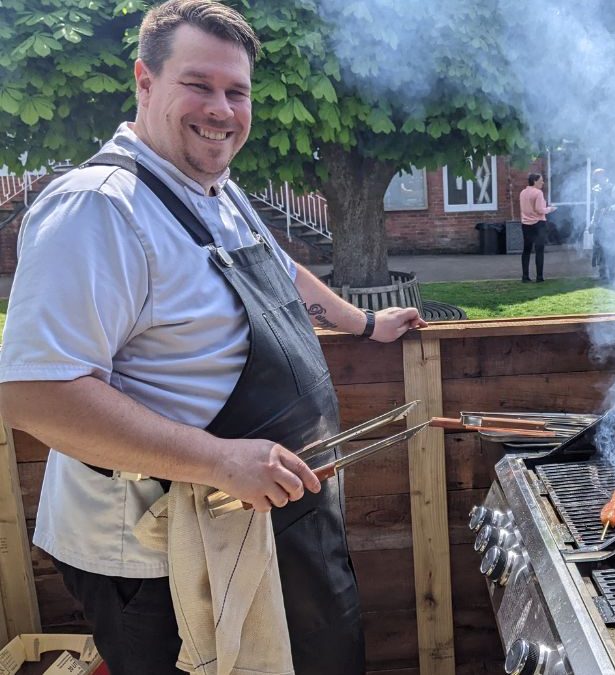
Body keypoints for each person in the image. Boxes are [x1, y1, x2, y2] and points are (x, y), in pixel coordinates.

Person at [0, 2, 426, 674]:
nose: (222, 110)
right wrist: (219, 460)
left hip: (265, 526)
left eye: (237, 91)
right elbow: (35, 395)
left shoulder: (216, 188)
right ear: (144, 81)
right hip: (160, 560)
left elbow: (277, 270)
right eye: (198, 85)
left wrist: (363, 322)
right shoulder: (98, 208)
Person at [589, 167, 615, 283]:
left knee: (612, 249)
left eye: (597, 177)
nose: (595, 179)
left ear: (603, 176)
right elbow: (596, 208)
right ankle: (603, 275)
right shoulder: (596, 189)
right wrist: (592, 223)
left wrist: (611, 208)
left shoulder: (614, 188)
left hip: (612, 224)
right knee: (600, 249)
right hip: (600, 224)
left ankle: (613, 275)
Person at [518, 172, 556, 282]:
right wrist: (550, 209)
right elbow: (540, 210)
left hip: (525, 224)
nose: (543, 182)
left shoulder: (522, 192)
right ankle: (539, 277)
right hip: (538, 224)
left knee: (526, 250)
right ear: (534, 181)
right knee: (539, 250)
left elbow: (524, 209)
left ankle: (525, 277)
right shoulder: (538, 193)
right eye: (541, 180)